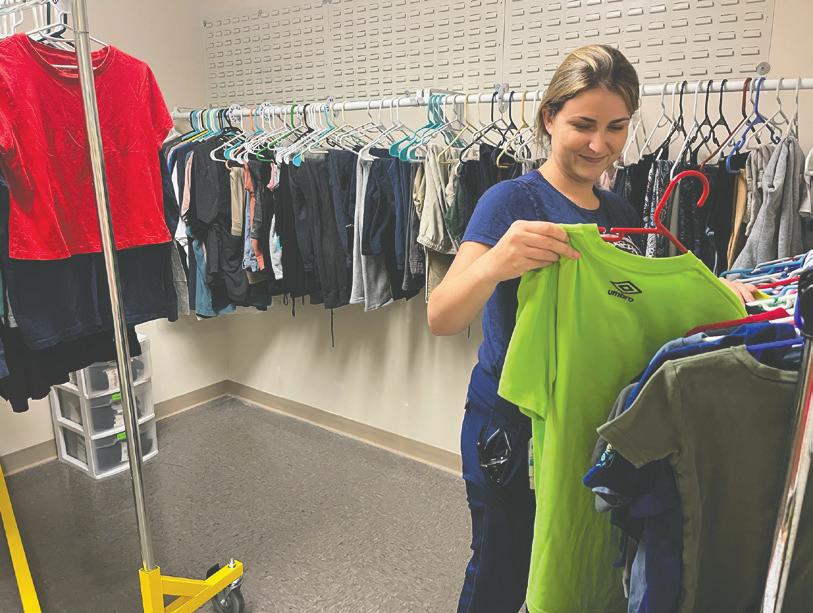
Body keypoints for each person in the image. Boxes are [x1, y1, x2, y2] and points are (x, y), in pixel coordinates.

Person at [427, 44, 754, 613]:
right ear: (549, 117)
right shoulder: (510, 201)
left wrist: (718, 295)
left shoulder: (616, 209)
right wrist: (497, 261)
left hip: (586, 415)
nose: (599, 145)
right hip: (511, 423)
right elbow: (442, 317)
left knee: (573, 561)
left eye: (616, 128)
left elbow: (633, 303)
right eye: (583, 125)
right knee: (502, 565)